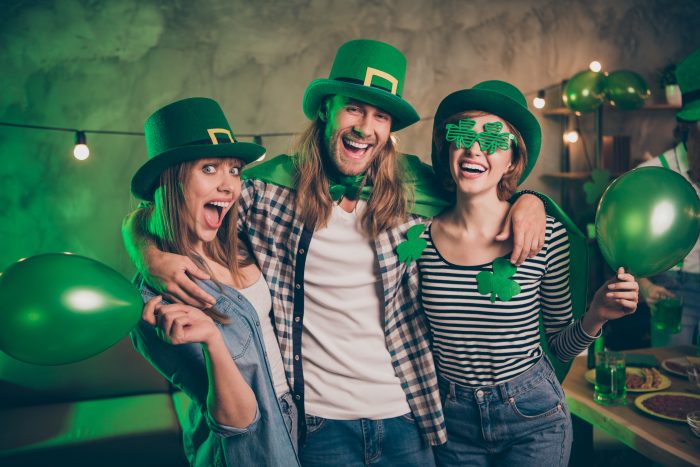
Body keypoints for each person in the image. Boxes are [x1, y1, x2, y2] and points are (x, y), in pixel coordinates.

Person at [123, 40, 550, 466]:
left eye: (380, 115)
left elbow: (484, 187)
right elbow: (170, 204)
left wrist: (530, 200)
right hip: (320, 426)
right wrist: (147, 253)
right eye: (354, 109)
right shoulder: (268, 189)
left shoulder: (415, 189)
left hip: (404, 417)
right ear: (327, 109)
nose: (365, 127)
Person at [419, 80, 639, 466]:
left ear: (512, 160)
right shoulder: (416, 239)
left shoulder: (547, 236)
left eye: (494, 140)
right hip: (449, 422)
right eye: (462, 134)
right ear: (447, 146)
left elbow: (559, 346)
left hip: (532, 418)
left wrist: (596, 316)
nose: (474, 149)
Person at [127, 97, 300, 466]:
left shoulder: (236, 238)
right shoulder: (155, 295)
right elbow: (237, 422)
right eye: (209, 169)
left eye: (234, 170)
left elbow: (137, 221)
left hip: (295, 418)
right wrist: (211, 339)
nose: (229, 185)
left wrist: (144, 246)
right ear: (171, 179)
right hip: (246, 446)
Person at [636, 47, 700, 347]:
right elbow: (617, 247)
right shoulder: (652, 175)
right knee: (672, 376)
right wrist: (644, 285)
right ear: (687, 130)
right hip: (673, 288)